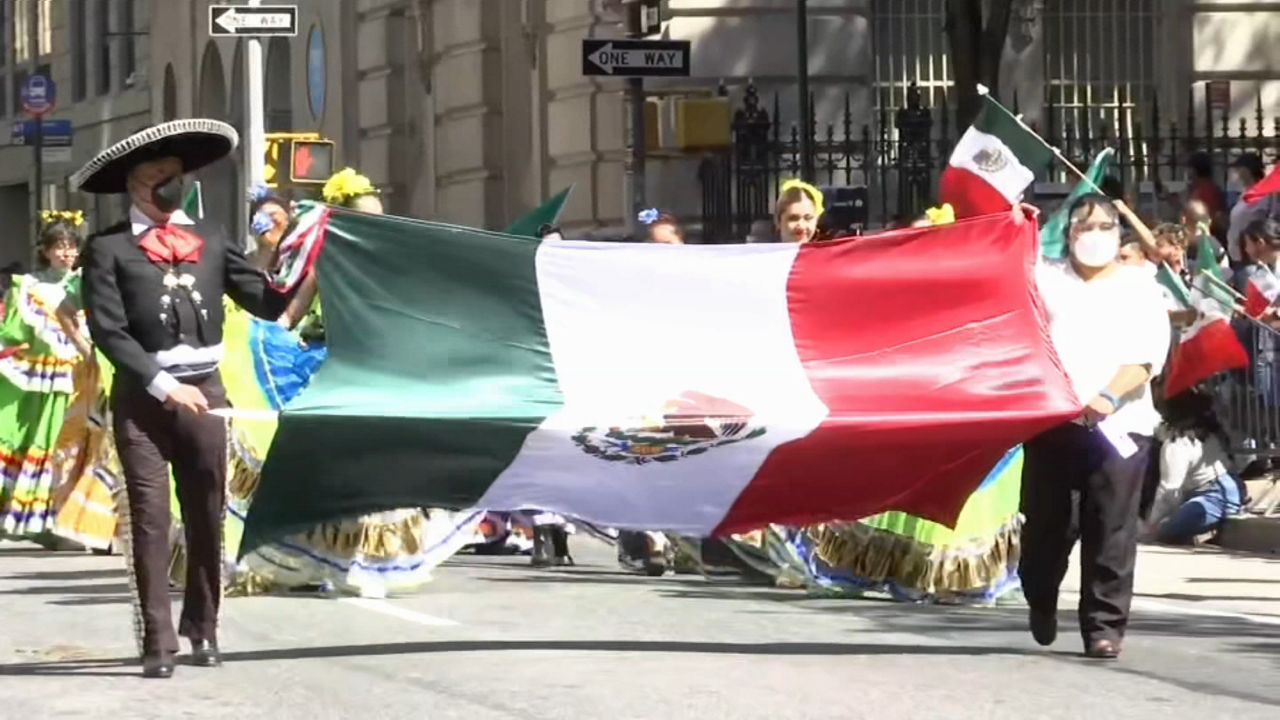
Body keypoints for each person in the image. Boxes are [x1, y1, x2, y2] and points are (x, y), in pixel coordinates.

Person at [74, 119, 294, 679]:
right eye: (155, 175)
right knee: (149, 519)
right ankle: (157, 639)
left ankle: (204, 627)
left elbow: (268, 304)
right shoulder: (107, 248)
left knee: (206, 514)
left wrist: (287, 255)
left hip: (208, 392)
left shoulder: (213, 237)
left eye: (174, 174)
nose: (167, 184)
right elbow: (110, 330)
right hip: (146, 399)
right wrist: (165, 386)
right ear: (134, 184)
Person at [232, 167, 485, 595]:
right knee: (338, 472)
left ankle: (372, 563)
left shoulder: (395, 268)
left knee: (384, 472)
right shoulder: (325, 265)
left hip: (382, 374)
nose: (376, 225)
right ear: (345, 223)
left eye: (379, 217)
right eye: (366, 218)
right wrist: (258, 336)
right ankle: (332, 560)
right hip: (333, 371)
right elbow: (289, 316)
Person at [1019, 193, 1171, 660]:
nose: (1095, 234)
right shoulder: (1045, 279)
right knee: (1048, 525)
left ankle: (1103, 626)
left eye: (1105, 226)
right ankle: (1040, 595)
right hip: (1054, 423)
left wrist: (1106, 400)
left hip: (1119, 426)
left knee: (1112, 527)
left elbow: (1146, 358)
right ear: (1068, 234)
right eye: (1084, 226)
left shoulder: (1140, 286)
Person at [0, 213, 93, 547]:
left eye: (71, 247)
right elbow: (11, 333)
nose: (66, 253)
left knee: (73, 446)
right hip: (41, 377)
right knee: (40, 439)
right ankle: (36, 519)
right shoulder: (28, 286)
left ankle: (66, 518)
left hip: (81, 375)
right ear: (45, 250)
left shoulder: (88, 282)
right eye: (59, 247)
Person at [1145, 387, 1243, 545]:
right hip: (1232, 486)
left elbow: (1168, 492)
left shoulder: (1177, 444)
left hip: (1212, 497)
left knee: (1162, 531)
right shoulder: (1212, 431)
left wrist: (1151, 525)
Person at [1227, 153, 1271, 264]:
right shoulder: (1245, 194)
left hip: (1251, 259)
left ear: (1247, 170)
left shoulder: (1264, 194)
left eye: (1239, 169)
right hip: (1238, 256)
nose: (1237, 174)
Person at [775, 179, 823, 244]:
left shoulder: (828, 253)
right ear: (778, 221)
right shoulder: (762, 253)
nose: (801, 226)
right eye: (793, 218)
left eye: (808, 218)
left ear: (816, 220)